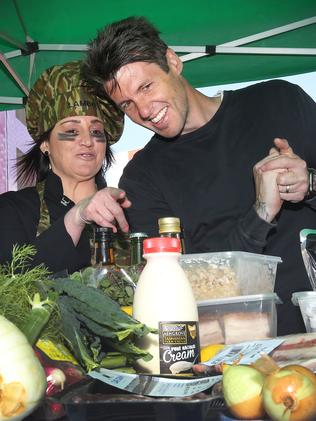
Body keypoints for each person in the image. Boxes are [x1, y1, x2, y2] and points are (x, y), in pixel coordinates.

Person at [83, 17, 316, 335]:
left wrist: (310, 183)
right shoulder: (142, 179)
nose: (145, 111)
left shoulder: (280, 101)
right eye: (127, 104)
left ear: (172, 61)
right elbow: (194, 293)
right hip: (237, 358)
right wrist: (261, 213)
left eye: (147, 87)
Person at [0, 60, 131, 274]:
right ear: (45, 144)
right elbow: (12, 289)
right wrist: (76, 218)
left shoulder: (127, 211)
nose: (87, 141)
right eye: (71, 131)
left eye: (97, 131)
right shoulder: (12, 211)